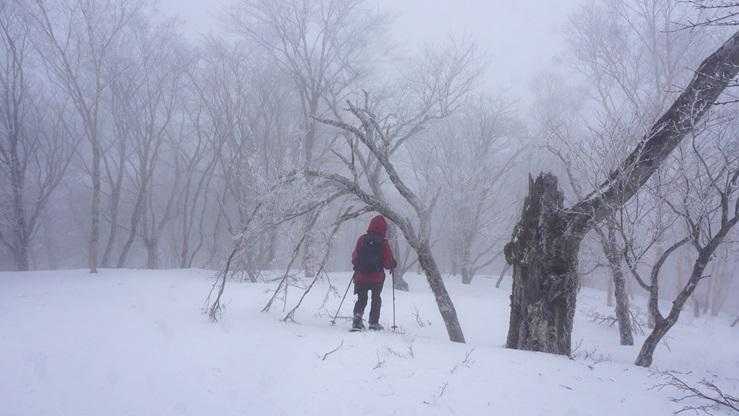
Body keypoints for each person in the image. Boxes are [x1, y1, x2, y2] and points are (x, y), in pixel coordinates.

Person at [351, 215, 397, 331]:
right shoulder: (383, 243)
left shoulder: (362, 239)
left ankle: (357, 319)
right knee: (376, 299)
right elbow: (388, 262)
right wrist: (393, 264)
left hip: (361, 276)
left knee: (362, 298)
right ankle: (373, 322)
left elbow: (355, 256)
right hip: (377, 278)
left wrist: (357, 266)